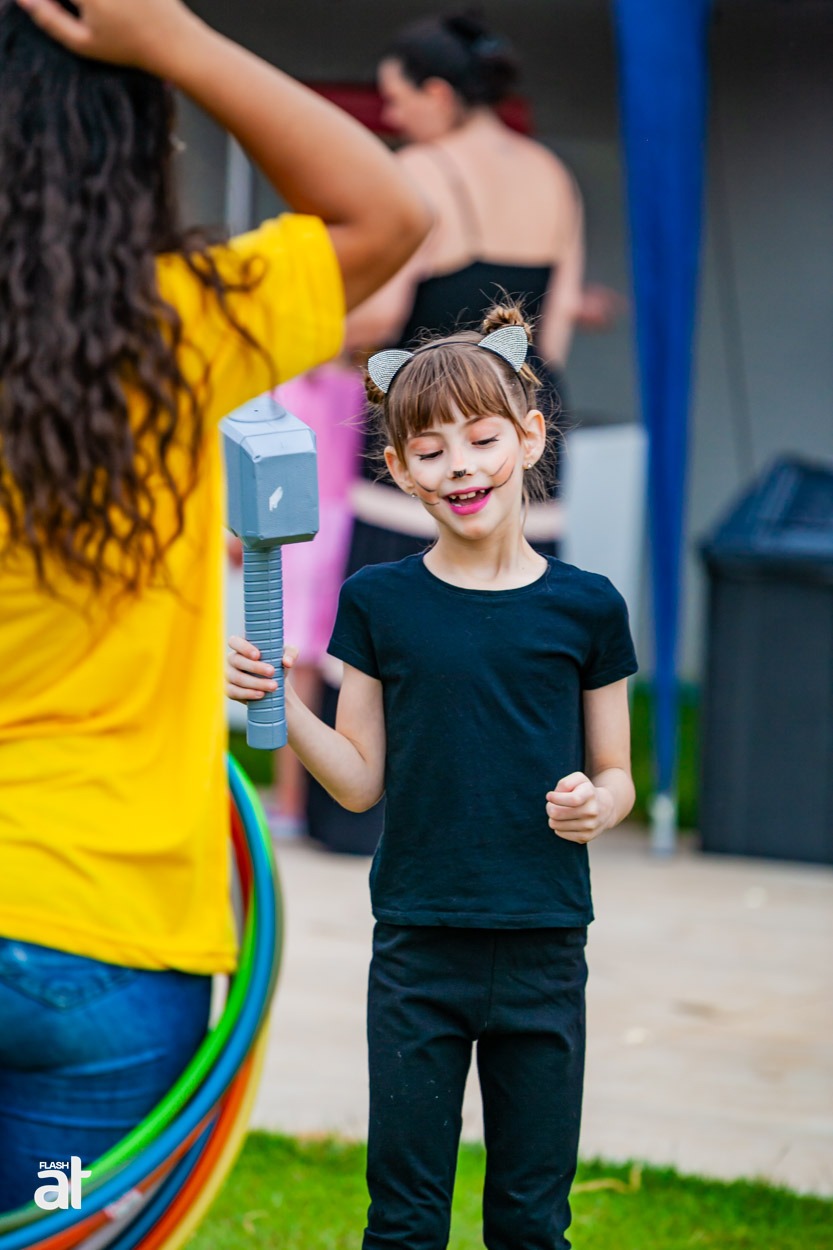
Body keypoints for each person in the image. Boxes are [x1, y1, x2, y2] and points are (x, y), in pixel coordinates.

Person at [0, 0, 429, 1213]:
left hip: (100, 943)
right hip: (100, 944)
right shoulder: (183, 322)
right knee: (64, 1224)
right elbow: (387, 215)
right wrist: (171, 39)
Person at [227, 303, 638, 1250]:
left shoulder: (586, 607)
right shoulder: (378, 602)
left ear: (529, 438)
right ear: (399, 469)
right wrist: (285, 704)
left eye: (481, 440)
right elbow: (358, 782)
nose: (460, 466)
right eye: (430, 450)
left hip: (544, 946)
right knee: (405, 1220)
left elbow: (615, 770)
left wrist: (598, 803)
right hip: (417, 947)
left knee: (531, 1221)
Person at [305, 10, 586, 853]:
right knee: (519, 619)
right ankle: (507, 814)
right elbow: (554, 331)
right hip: (522, 418)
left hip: (426, 418)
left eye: (397, 98)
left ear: (436, 93)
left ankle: (362, 821)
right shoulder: (553, 174)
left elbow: (381, 314)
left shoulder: (419, 170)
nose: (390, 116)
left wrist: (311, 324)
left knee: (389, 617)